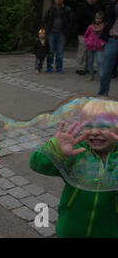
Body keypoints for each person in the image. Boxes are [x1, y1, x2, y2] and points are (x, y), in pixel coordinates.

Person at [29, 100, 118, 237]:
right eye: (88, 126)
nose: (94, 132)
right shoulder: (76, 152)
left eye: (104, 126)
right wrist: (56, 150)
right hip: (71, 229)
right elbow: (37, 164)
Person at [44, 0, 72, 74]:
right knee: (51, 51)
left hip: (61, 33)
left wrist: (67, 30)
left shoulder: (67, 9)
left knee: (60, 52)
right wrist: (46, 29)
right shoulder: (50, 9)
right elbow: (45, 20)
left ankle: (59, 67)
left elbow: (70, 21)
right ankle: (49, 67)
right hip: (51, 33)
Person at [75, 0, 101, 76]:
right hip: (83, 32)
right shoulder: (82, 9)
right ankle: (80, 68)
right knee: (82, 50)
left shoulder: (98, 9)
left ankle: (88, 67)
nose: (92, 0)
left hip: (94, 34)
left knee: (90, 51)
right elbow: (79, 21)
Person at [98, 0, 118, 97]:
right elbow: (109, 10)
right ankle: (102, 94)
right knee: (105, 71)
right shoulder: (114, 6)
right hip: (113, 40)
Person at [84, 12, 106, 81]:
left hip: (99, 48)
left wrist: (102, 43)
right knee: (90, 62)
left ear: (102, 19)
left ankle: (102, 76)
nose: (98, 20)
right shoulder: (90, 27)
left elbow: (106, 37)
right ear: (95, 18)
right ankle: (91, 75)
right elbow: (85, 35)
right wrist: (87, 42)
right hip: (90, 47)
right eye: (97, 18)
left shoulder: (104, 27)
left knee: (100, 62)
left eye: (100, 19)